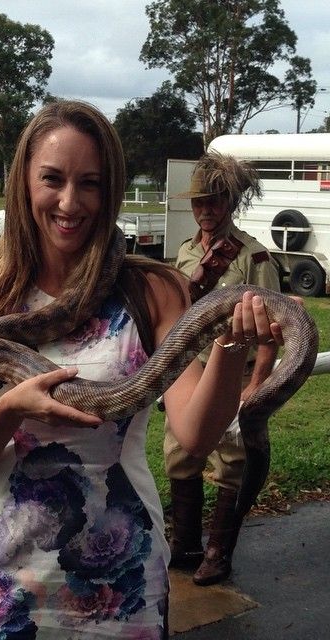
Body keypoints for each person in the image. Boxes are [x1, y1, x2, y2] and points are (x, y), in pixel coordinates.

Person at [0, 101, 283, 638]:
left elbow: (194, 434)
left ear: (111, 189)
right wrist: (10, 409)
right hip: (7, 572)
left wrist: (232, 343)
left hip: (126, 569)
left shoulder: (153, 290)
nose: (70, 202)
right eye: (52, 179)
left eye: (90, 183)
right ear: (23, 183)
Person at [164, 151, 281, 586]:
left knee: (231, 462)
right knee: (179, 455)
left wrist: (256, 385)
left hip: (234, 373)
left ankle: (218, 553)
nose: (205, 210)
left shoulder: (254, 258)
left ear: (230, 202)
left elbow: (270, 334)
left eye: (214, 201)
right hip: (190, 372)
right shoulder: (186, 252)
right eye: (199, 202)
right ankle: (185, 544)